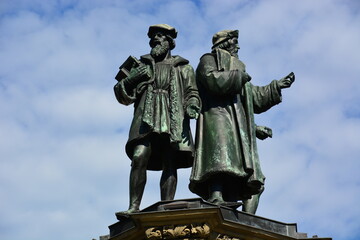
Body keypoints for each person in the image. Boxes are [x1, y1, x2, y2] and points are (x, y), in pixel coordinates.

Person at [189, 30, 295, 210]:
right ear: (224, 43)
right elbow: (211, 79)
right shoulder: (208, 59)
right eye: (234, 42)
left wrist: (276, 86)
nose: (237, 46)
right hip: (216, 115)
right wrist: (238, 77)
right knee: (220, 157)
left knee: (235, 164)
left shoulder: (237, 67)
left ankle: (229, 201)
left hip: (236, 120)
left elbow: (252, 96)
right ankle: (216, 195)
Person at [114, 24, 200, 214]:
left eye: (160, 36)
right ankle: (133, 207)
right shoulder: (140, 65)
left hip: (172, 116)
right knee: (139, 156)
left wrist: (192, 105)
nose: (155, 39)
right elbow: (120, 92)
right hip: (146, 118)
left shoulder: (183, 67)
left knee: (170, 160)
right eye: (153, 36)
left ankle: (166, 206)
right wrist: (132, 79)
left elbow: (192, 92)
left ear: (170, 42)